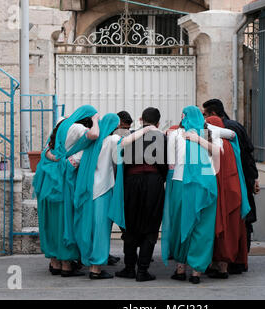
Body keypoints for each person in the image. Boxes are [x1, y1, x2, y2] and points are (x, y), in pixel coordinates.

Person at [73, 113, 160, 280]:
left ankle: (90, 262)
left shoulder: (90, 142)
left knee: (89, 229)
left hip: (88, 190)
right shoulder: (111, 140)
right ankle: (96, 268)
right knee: (101, 230)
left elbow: (74, 160)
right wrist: (146, 129)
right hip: (104, 190)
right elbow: (126, 142)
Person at [33, 105, 100, 277]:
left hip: (47, 179)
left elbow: (47, 150)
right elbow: (94, 135)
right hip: (62, 182)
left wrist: (56, 157)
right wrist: (96, 120)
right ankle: (66, 265)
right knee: (64, 220)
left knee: (50, 221)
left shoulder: (61, 124)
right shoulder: (78, 128)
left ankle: (54, 262)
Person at [161, 106, 219, 285]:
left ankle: (180, 269)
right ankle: (197, 271)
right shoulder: (208, 134)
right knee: (202, 227)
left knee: (180, 224)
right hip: (206, 184)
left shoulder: (176, 135)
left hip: (181, 183)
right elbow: (217, 152)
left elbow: (170, 164)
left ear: (184, 117)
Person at [202, 99, 260, 274]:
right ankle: (239, 260)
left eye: (205, 114)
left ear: (212, 115)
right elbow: (248, 155)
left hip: (224, 189)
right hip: (239, 185)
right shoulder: (234, 130)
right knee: (240, 224)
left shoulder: (213, 139)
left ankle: (222, 262)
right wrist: (254, 178)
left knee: (227, 226)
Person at [115, 107, 168, 282]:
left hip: (131, 182)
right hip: (153, 182)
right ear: (158, 122)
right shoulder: (161, 137)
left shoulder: (130, 136)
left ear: (141, 120)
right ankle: (142, 270)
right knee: (151, 224)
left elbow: (121, 160)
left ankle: (129, 267)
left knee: (130, 224)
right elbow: (164, 165)